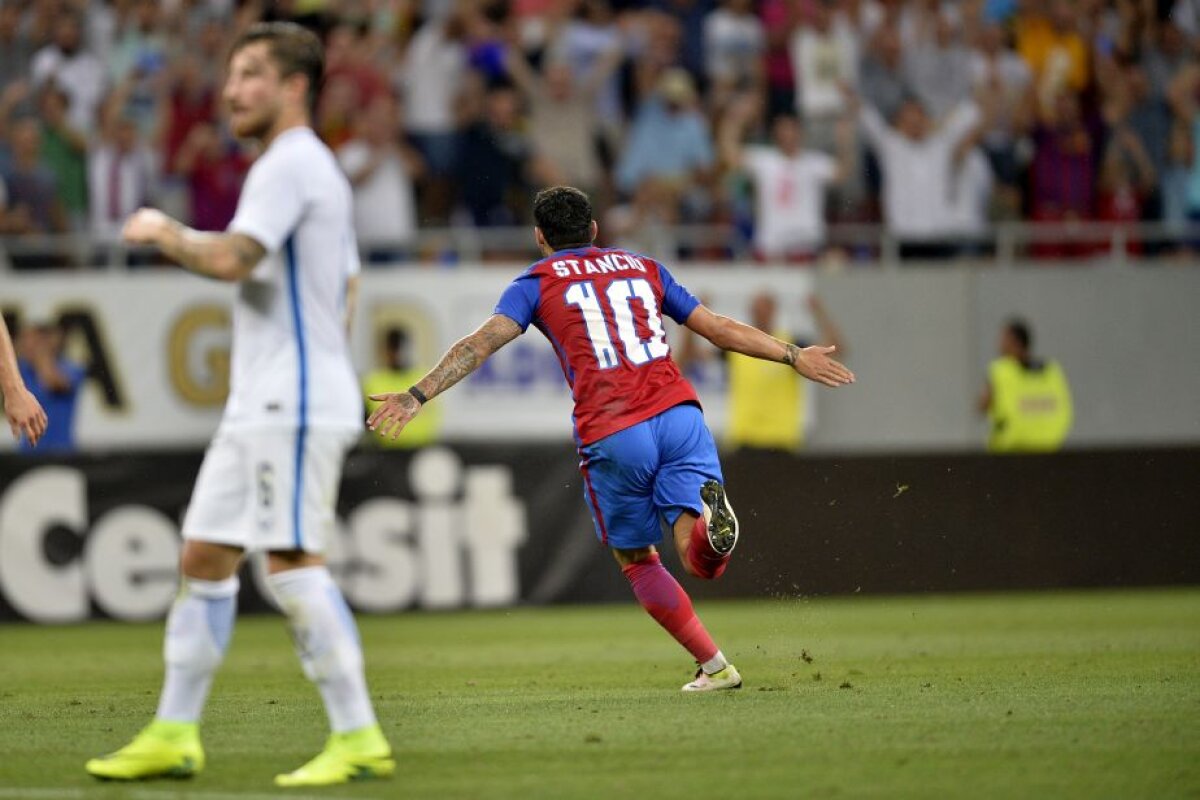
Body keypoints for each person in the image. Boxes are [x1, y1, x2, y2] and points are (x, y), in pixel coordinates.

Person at [368, 186, 855, 691]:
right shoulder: (642, 266)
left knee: (638, 559)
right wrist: (793, 355)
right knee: (699, 563)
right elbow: (716, 327)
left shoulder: (534, 283)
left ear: (540, 237)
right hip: (680, 415)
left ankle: (716, 666)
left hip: (615, 427)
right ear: (595, 230)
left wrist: (417, 395)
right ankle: (714, 534)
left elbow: (480, 344)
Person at [84, 22, 392, 788]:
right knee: (205, 556)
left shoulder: (291, 163)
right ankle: (174, 732)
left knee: (289, 564)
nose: (231, 90)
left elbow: (230, 258)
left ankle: (359, 736)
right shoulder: (303, 170)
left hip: (288, 400)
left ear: (294, 87)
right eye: (230, 74)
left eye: (251, 73)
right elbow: (346, 285)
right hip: (265, 396)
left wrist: (164, 230)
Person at [979, 318, 1073, 452]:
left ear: (1015, 342)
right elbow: (1065, 409)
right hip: (1050, 449)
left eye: (1004, 339)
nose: (999, 344)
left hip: (1009, 452)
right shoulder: (1052, 371)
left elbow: (982, 406)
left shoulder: (1000, 371)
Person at [15, 320, 85, 453]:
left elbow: (54, 383)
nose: (26, 344)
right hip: (28, 453)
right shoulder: (22, 370)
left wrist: (42, 354)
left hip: (61, 452)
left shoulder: (71, 368)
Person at [363, 327, 440, 449]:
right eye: (393, 349)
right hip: (387, 452)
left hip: (422, 450)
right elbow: (365, 421)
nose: (396, 354)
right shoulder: (373, 380)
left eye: (399, 348)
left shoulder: (424, 378)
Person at [0, 316, 48, 448]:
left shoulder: (67, 366)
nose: (28, 344)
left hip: (60, 452)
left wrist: (14, 390)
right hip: (28, 449)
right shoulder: (18, 368)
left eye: (35, 340)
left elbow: (57, 383)